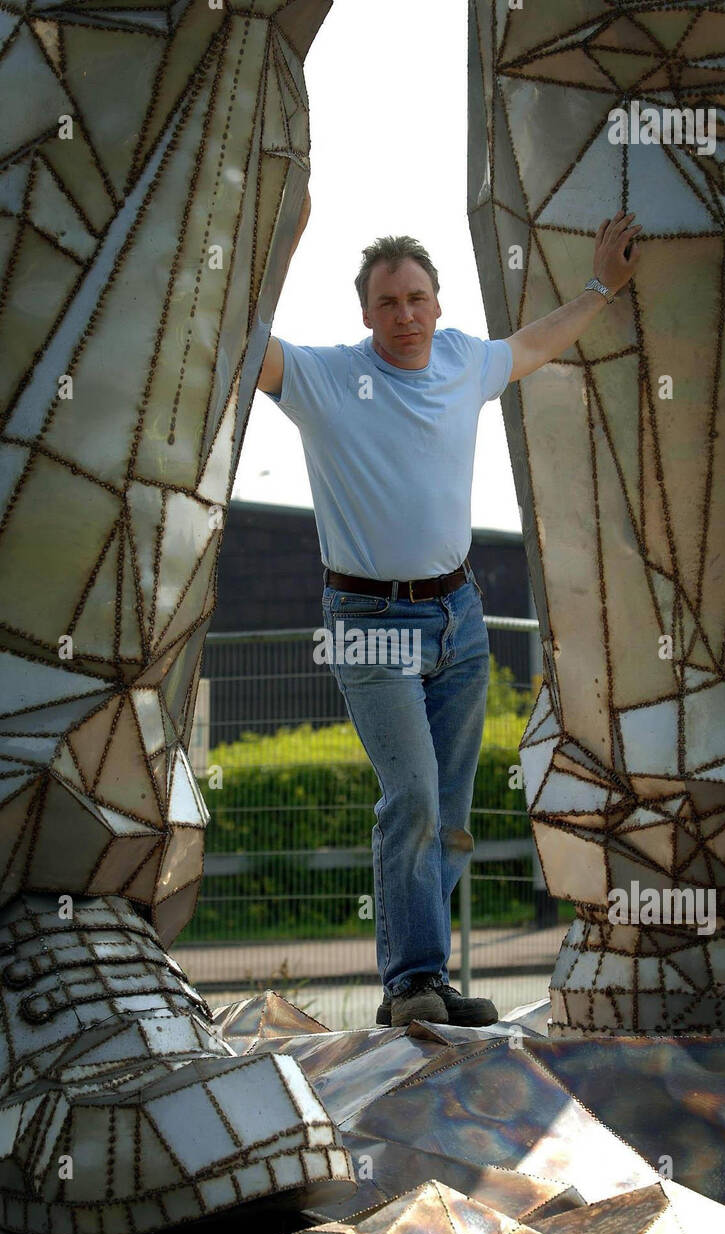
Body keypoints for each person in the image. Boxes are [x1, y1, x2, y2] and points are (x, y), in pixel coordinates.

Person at [258, 194, 642, 1027]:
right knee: (414, 796)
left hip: (460, 619)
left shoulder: (463, 361)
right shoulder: (327, 377)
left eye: (417, 298)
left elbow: (537, 342)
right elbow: (242, 348)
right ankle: (410, 985)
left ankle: (421, 979)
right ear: (364, 313)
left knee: (453, 814)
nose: (405, 314)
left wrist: (600, 289)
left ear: (438, 304)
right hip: (368, 623)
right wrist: (281, 239)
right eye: (388, 301)